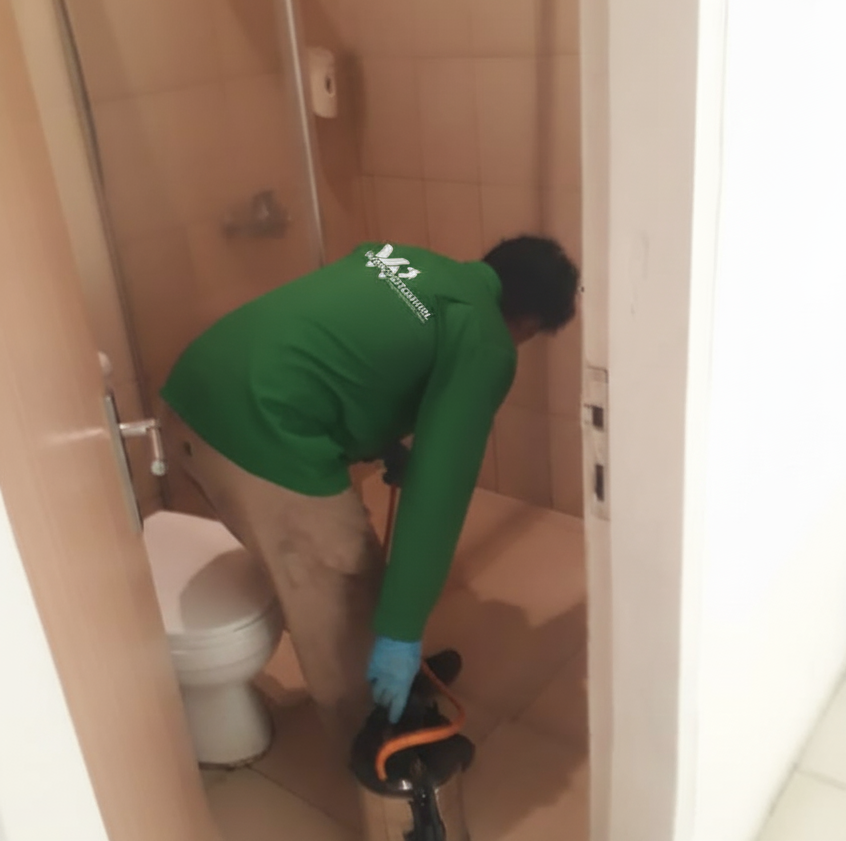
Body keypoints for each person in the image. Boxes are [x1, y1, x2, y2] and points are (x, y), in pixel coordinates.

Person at [158, 235, 579, 759]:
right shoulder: (486, 339)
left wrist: (384, 444)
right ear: (530, 323)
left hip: (191, 395)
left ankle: (395, 684)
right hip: (260, 430)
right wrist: (401, 632)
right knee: (344, 586)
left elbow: (351, 356)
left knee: (350, 571)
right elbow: (440, 491)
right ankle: (382, 747)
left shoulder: (400, 257)